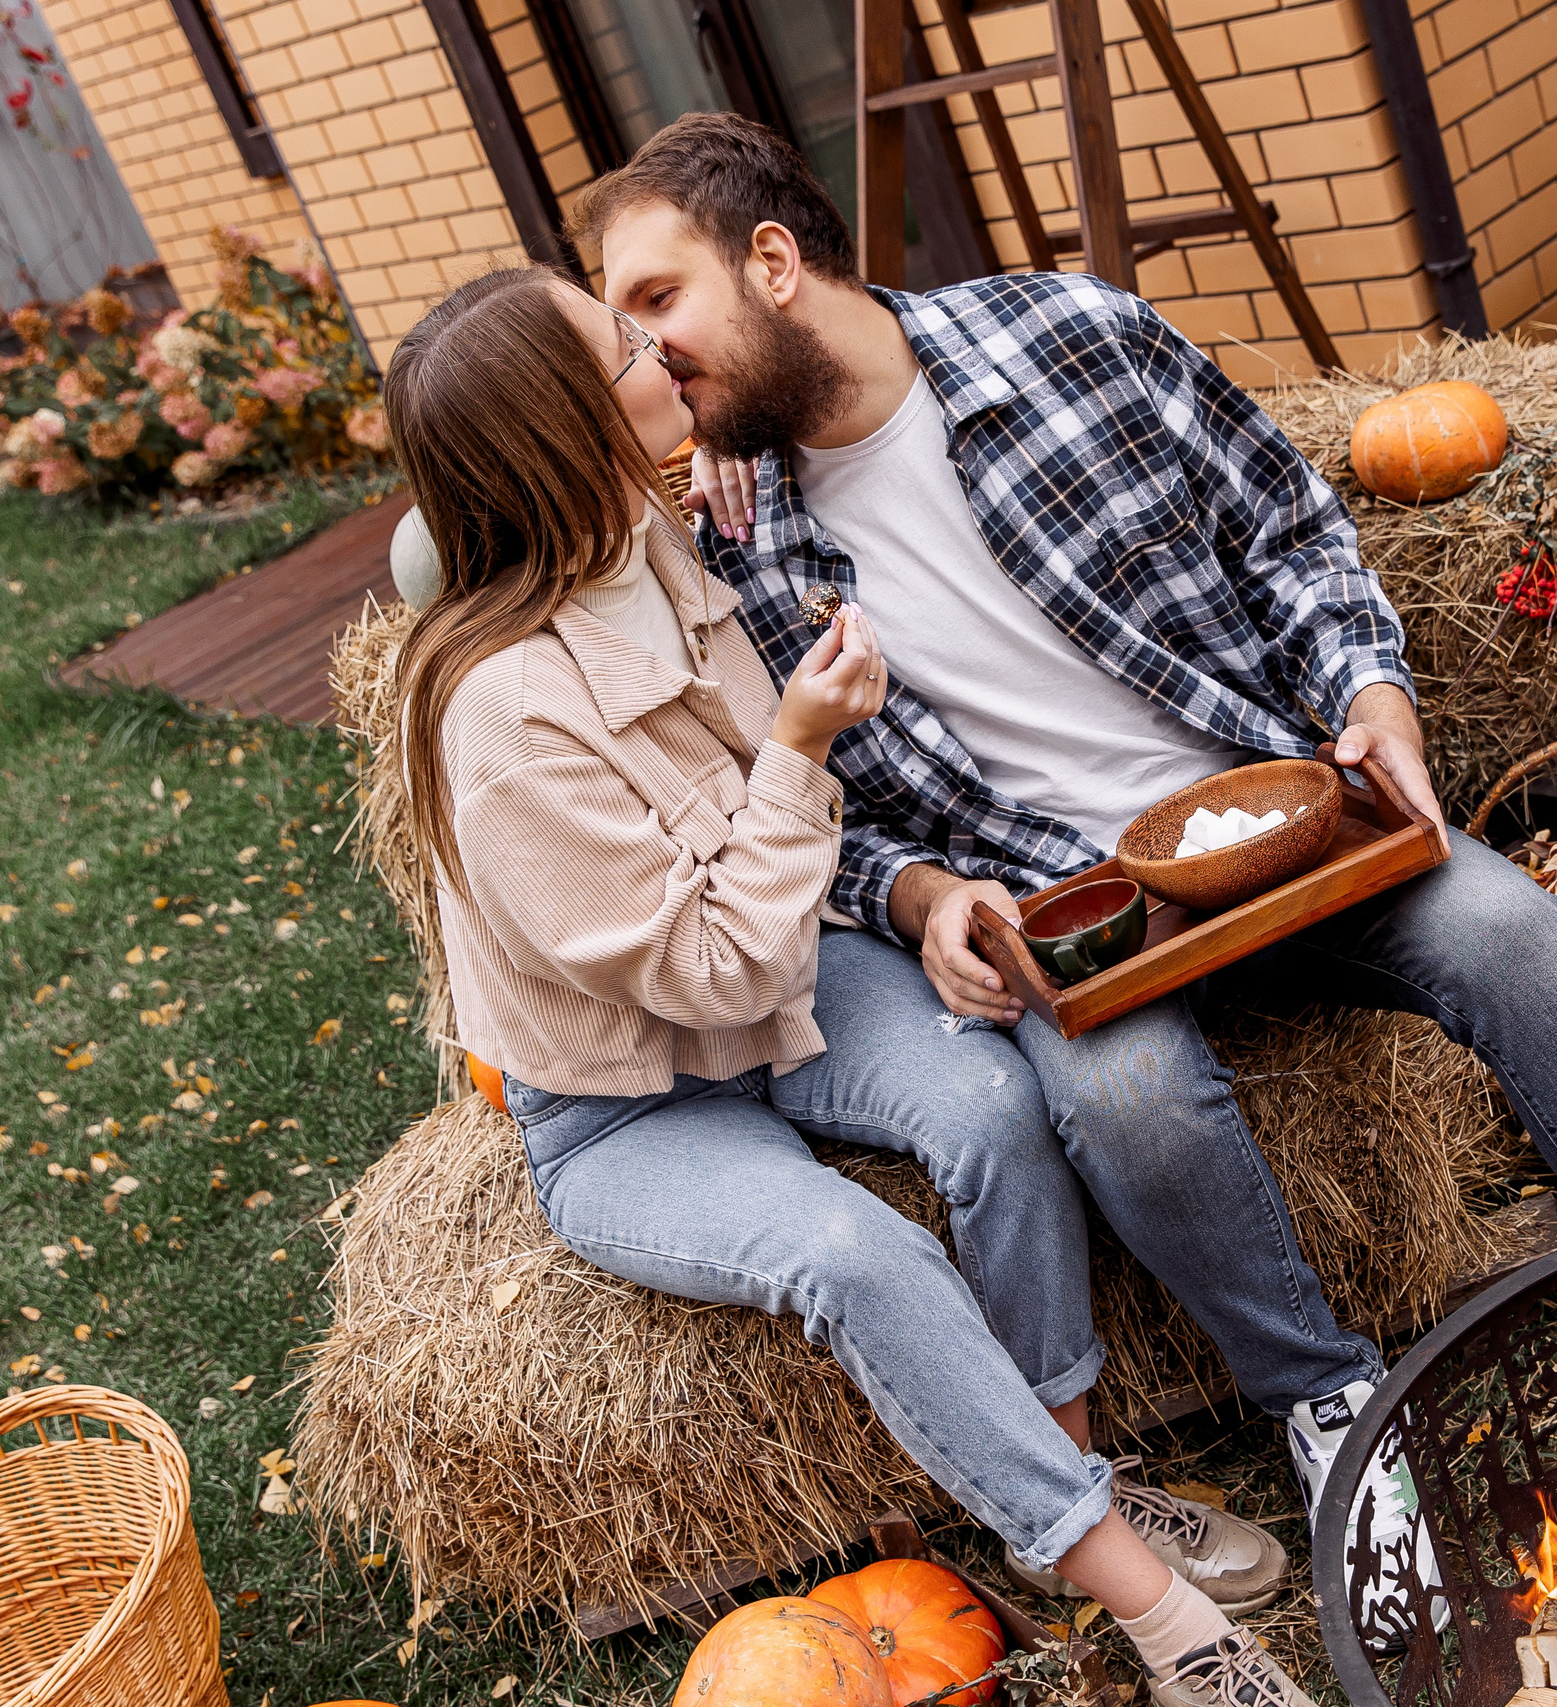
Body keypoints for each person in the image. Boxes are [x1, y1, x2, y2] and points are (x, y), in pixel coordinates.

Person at [569, 111, 1557, 1651]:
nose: (652, 361)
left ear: (777, 265)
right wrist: (926, 900)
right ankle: (1329, 1402)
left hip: (1281, 814)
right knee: (1120, 1099)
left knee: (1512, 934)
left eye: (660, 305)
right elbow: (789, 810)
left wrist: (1373, 693)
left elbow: (1291, 533)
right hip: (1082, 909)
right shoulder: (734, 547)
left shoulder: (1075, 340)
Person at [384, 264, 1324, 1707]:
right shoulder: (502, 713)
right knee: (857, 1257)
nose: (664, 355)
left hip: (783, 996)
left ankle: (1070, 1484)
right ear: (567, 429)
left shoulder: (652, 536)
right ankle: (1153, 1610)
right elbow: (709, 967)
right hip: (632, 1106)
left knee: (992, 1105)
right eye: (629, 346)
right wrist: (802, 746)